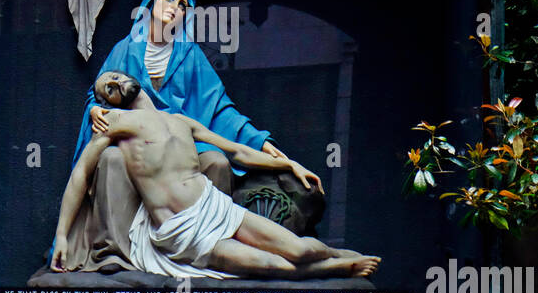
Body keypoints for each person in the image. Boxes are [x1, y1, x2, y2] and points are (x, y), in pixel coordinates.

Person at [57, 0, 303, 271]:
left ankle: (213, 243)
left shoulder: (190, 55)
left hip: (180, 140)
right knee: (110, 159)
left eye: (183, 5)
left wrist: (264, 145)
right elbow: (97, 93)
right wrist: (96, 110)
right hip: (133, 145)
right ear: (151, 4)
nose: (175, 7)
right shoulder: (125, 50)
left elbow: (221, 108)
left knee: (216, 161)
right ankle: (113, 251)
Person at [51, 71, 380, 280]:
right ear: (104, 103)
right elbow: (81, 173)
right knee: (271, 266)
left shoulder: (181, 121)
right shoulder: (117, 123)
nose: (113, 85)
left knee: (298, 250)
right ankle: (337, 267)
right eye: (105, 90)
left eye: (113, 77)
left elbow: (237, 151)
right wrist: (63, 236)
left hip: (217, 207)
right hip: (185, 230)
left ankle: (339, 255)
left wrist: (289, 164)